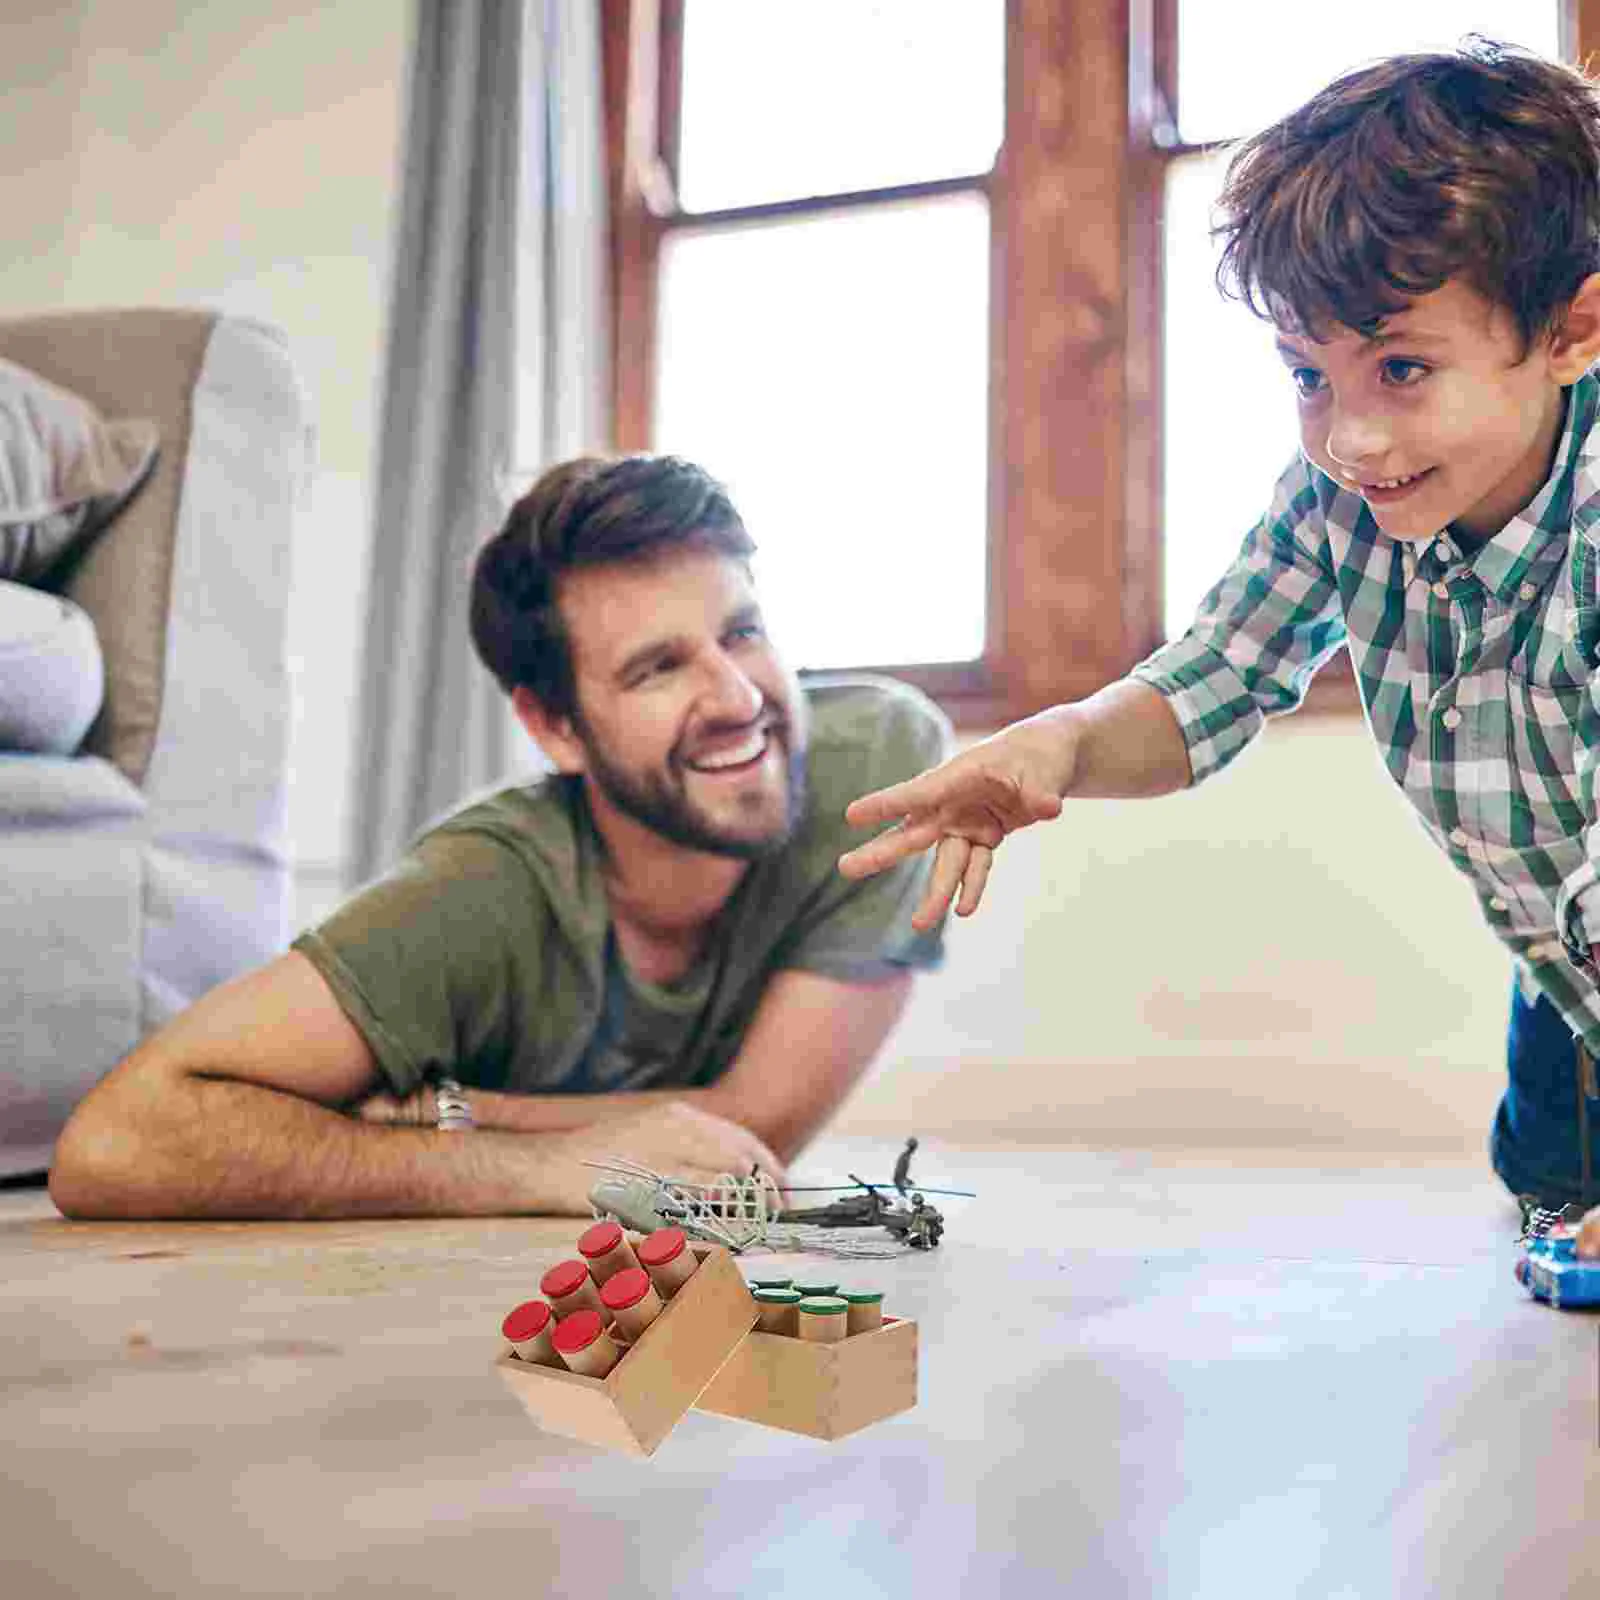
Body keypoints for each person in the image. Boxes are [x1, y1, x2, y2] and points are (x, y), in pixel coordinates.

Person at [837, 41, 1600, 1230]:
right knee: (1551, 1204)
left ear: (1571, 332)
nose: (1348, 437)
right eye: (1308, 376)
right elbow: (1212, 680)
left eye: (1402, 369)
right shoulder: (1345, 497)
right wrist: (1064, 744)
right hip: (1564, 965)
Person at [49, 453, 949, 1219]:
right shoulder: (482, 892)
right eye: (658, 668)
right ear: (555, 726)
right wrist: (534, 1168)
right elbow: (113, 1142)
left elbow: (754, 1130)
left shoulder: (875, 769)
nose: (739, 699)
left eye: (741, 632)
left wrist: (456, 1113)